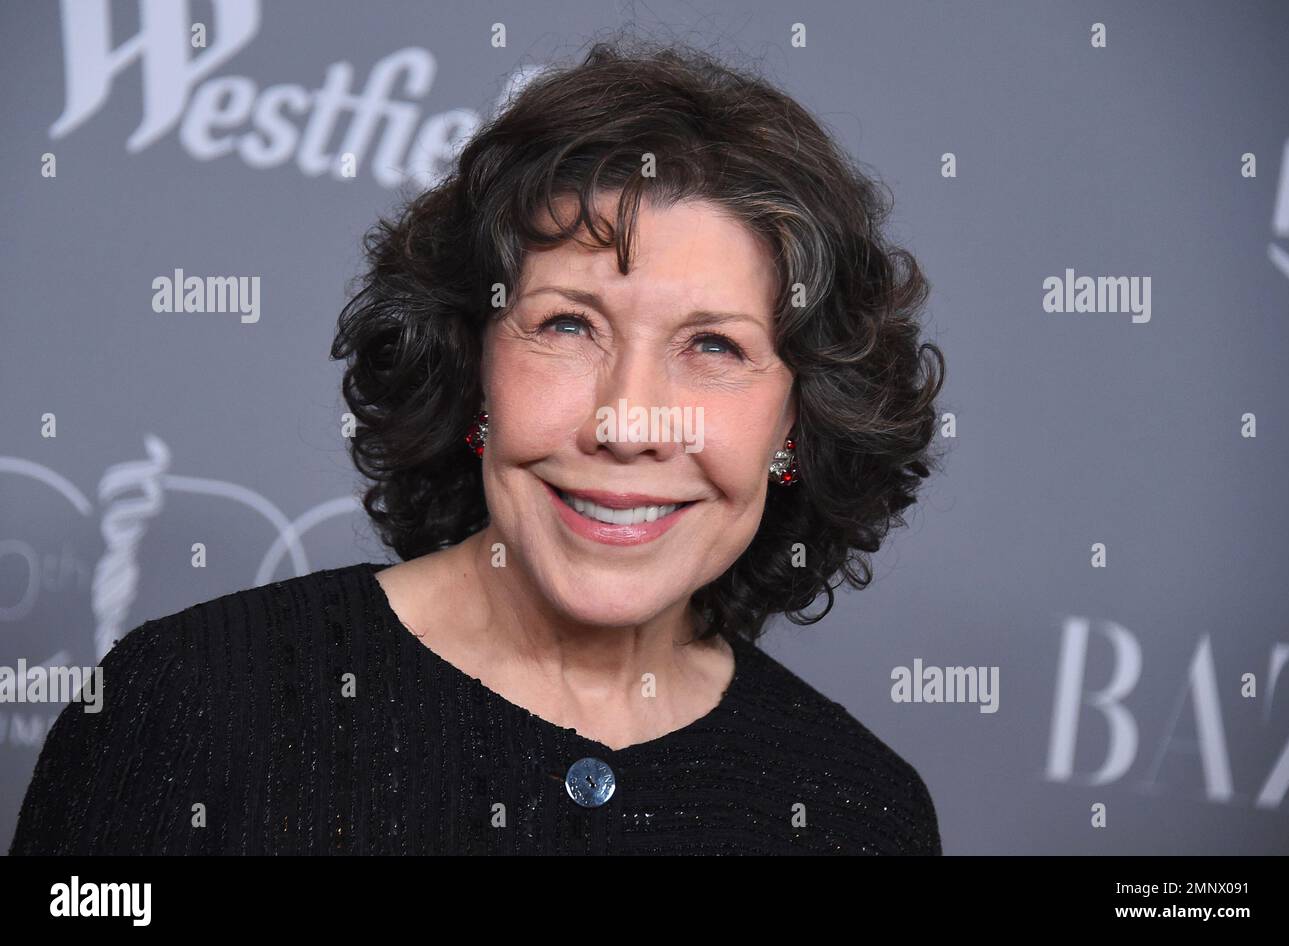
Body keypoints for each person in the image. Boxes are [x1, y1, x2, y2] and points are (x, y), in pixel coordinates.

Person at [10, 36, 946, 855]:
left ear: (796, 423)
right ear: (473, 367)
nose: (627, 423)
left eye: (714, 347)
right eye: (570, 327)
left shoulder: (858, 812)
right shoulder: (192, 706)